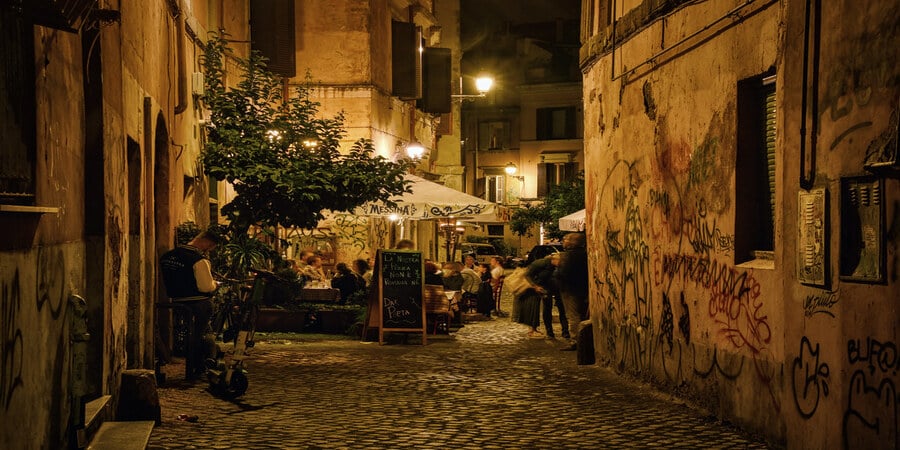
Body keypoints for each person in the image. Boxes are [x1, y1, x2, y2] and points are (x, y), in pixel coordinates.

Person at [159, 229, 224, 380]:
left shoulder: (168, 256)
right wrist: (215, 284)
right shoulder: (198, 260)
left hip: (176, 300)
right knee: (200, 331)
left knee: (190, 331)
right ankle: (199, 363)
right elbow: (205, 287)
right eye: (211, 247)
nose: (209, 250)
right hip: (196, 302)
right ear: (207, 243)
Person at [556, 233, 589, 351]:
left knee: (573, 316)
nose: (563, 242)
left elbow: (563, 273)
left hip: (570, 289)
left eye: (565, 239)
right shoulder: (585, 254)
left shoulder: (568, 256)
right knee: (581, 314)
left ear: (572, 242)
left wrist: (557, 269)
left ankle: (576, 340)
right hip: (582, 288)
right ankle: (583, 339)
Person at [526, 253, 569, 340]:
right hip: (545, 287)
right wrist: (535, 286)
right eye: (559, 262)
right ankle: (549, 332)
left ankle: (565, 331)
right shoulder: (540, 264)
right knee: (547, 308)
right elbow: (528, 275)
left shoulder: (560, 267)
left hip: (558, 288)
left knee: (562, 308)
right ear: (554, 260)